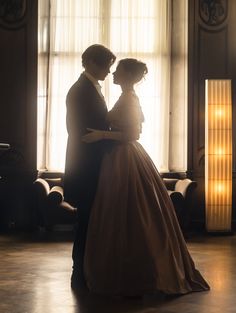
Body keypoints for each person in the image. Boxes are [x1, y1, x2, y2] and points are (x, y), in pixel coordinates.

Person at [82, 58, 210, 296]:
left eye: (117, 70)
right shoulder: (126, 97)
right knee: (123, 214)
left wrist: (101, 135)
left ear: (127, 75)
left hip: (125, 158)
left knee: (132, 214)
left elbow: (132, 134)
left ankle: (139, 272)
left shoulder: (130, 98)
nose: (113, 73)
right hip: (119, 158)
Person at [63, 44, 116, 289]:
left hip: (93, 163)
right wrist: (112, 138)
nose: (108, 71)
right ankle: (79, 271)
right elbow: (79, 132)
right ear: (92, 62)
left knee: (91, 220)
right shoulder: (79, 91)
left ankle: (86, 268)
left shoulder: (89, 88)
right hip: (85, 165)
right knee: (85, 220)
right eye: (106, 65)